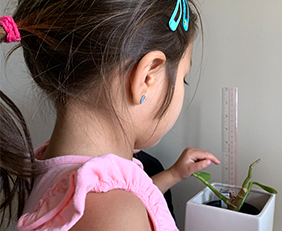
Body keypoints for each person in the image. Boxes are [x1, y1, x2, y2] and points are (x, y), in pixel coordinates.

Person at [0, 0, 220, 230]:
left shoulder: (53, 167)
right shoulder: (117, 218)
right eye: (183, 77)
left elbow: (128, 193)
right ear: (147, 78)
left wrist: (173, 174)